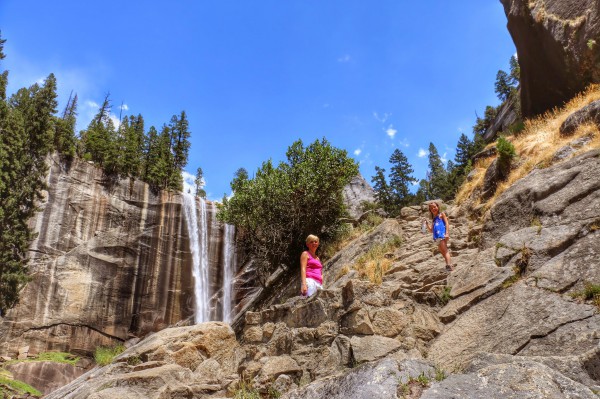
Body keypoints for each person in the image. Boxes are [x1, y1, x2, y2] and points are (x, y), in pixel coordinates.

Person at [424, 202, 454, 271]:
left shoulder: (441, 214)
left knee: (445, 250)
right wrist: (427, 225)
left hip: (441, 235)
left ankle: (448, 265)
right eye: (431, 208)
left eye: (434, 207)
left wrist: (447, 233)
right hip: (436, 237)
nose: (433, 209)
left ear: (438, 207)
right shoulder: (434, 219)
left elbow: (446, 223)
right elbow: (431, 230)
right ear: (430, 210)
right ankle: (449, 264)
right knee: (442, 251)